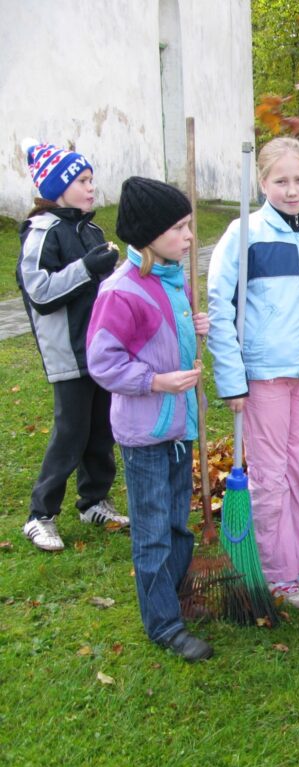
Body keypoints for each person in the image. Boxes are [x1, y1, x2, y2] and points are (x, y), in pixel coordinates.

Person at [207, 137, 299, 609]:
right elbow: (220, 308)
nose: (292, 190)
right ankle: (274, 572)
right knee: (270, 475)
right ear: (262, 182)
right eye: (280, 181)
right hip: (266, 374)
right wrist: (232, 379)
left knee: (298, 470)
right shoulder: (244, 235)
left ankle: (296, 566)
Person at [86, 177, 213, 661]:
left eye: (188, 225)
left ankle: (175, 596)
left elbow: (163, 336)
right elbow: (103, 362)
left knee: (177, 522)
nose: (189, 236)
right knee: (154, 529)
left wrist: (193, 326)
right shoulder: (122, 292)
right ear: (148, 234)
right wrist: (156, 382)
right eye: (179, 228)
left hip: (179, 426)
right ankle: (163, 624)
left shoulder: (172, 279)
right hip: (145, 433)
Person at [16, 139, 125, 552]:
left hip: (99, 347)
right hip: (67, 351)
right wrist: (86, 267)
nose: (91, 187)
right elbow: (39, 292)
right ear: (57, 189)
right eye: (82, 180)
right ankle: (40, 515)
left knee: (101, 427)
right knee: (71, 432)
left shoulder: (91, 230)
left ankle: (94, 501)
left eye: (91, 179)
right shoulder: (42, 233)